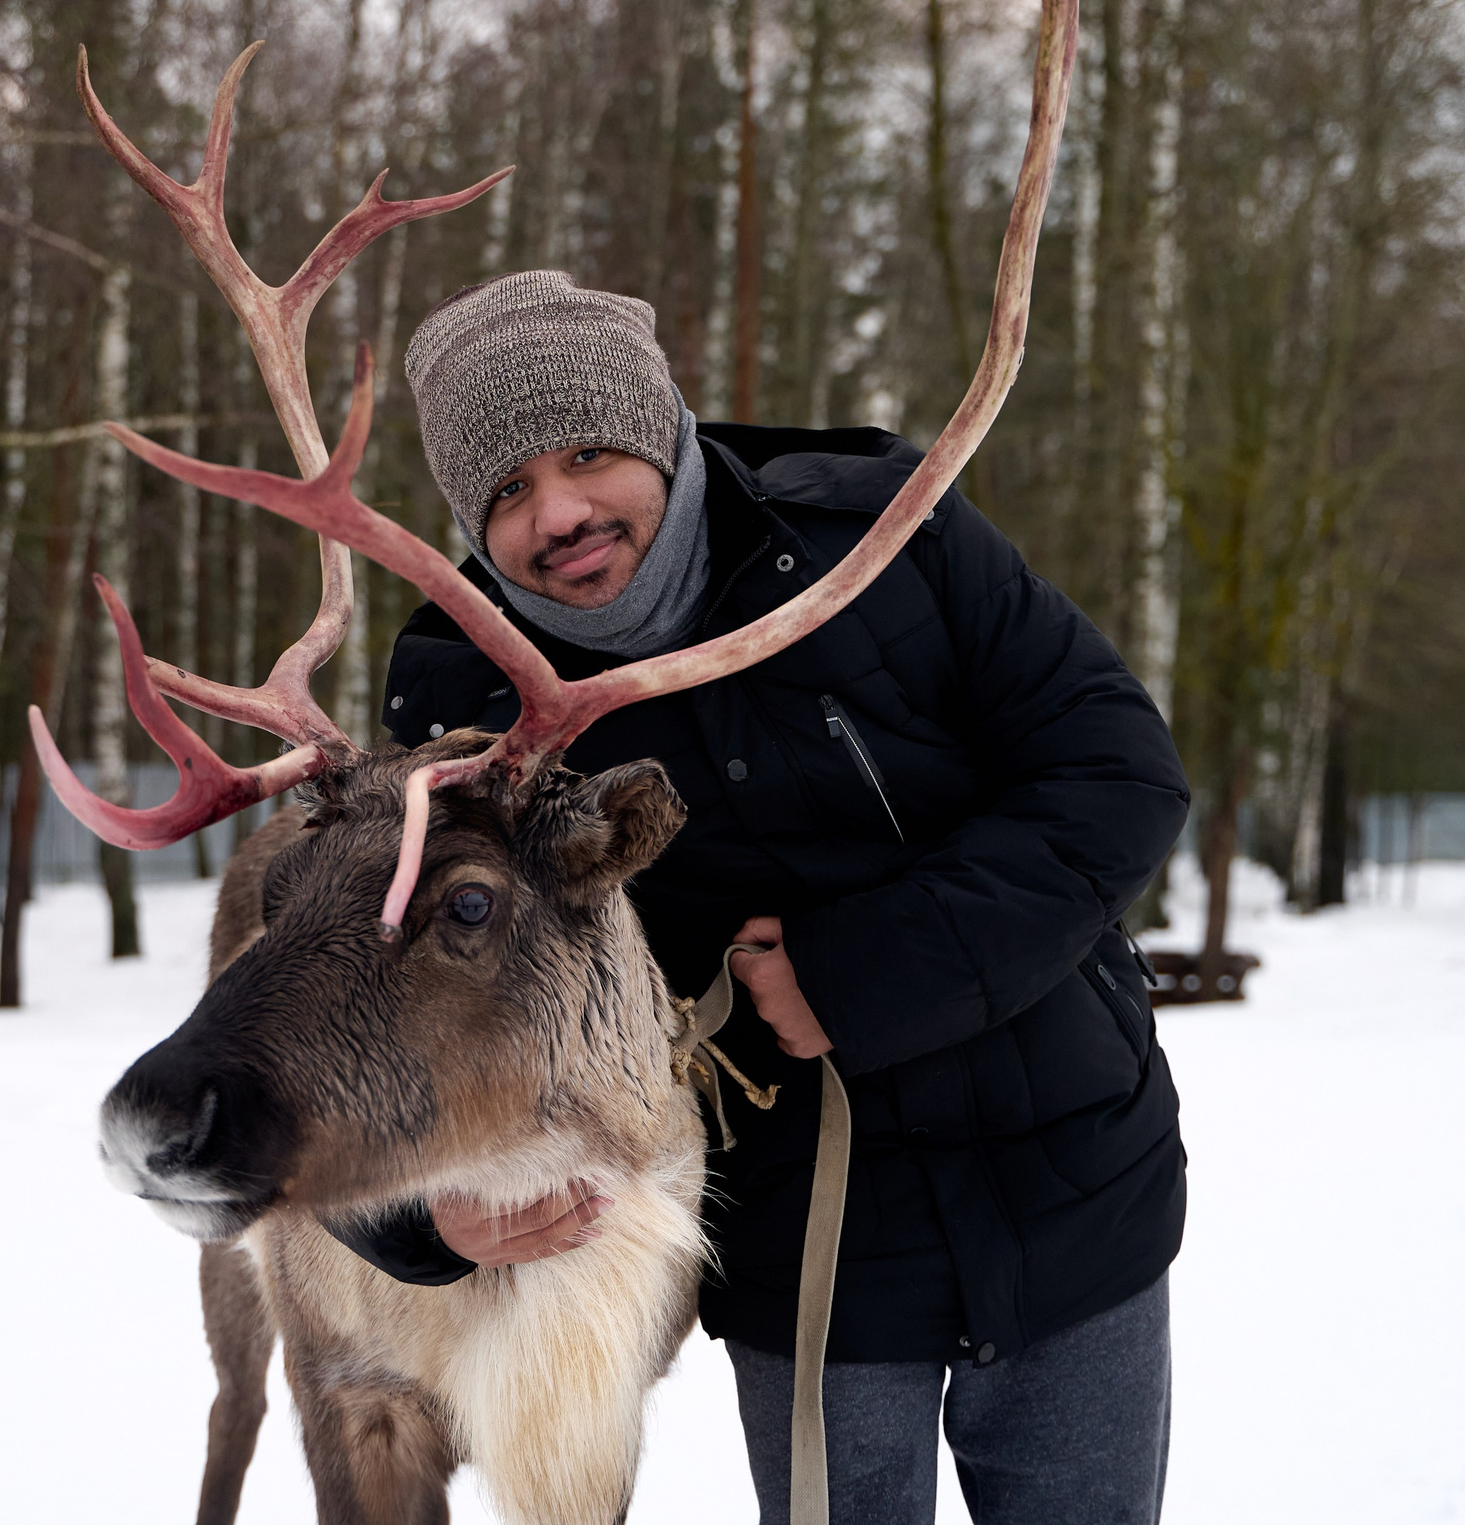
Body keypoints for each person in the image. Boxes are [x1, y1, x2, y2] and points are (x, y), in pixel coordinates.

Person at [334, 270, 1190, 1525]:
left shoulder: (883, 530)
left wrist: (856, 973)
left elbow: (1117, 771)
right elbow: (368, 1022)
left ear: (661, 425)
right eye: (506, 490)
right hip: (804, 1257)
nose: (558, 512)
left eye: (587, 452)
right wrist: (427, 1216)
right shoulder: (462, 723)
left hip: (1072, 1187)